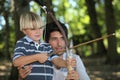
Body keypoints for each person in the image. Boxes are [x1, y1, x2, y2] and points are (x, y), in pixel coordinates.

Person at [18, 21, 90, 80]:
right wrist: (21, 78)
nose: (59, 44)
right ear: (46, 42)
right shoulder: (39, 61)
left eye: (62, 38)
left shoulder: (75, 59)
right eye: (54, 39)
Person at [12, 12, 67, 80]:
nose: (38, 32)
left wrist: (66, 63)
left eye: (40, 28)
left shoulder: (47, 46)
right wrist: (37, 57)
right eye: (33, 29)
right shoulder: (22, 43)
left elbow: (56, 60)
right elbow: (16, 62)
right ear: (24, 31)